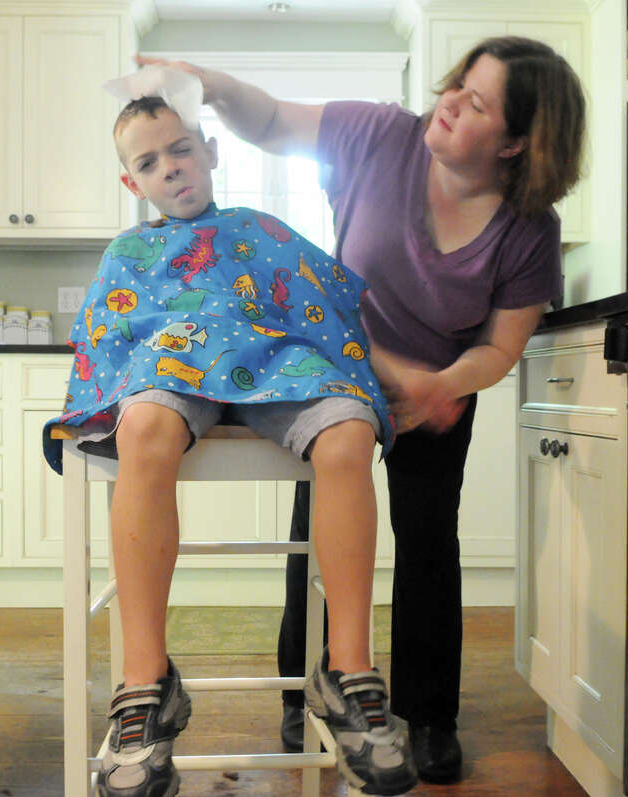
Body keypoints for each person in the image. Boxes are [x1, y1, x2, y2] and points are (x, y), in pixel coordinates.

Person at [138, 35, 585, 784]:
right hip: (335, 367)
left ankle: (428, 714)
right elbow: (274, 120)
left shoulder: (529, 230)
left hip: (438, 383)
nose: (449, 102)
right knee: (315, 533)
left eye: (476, 103)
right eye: (457, 85)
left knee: (428, 537)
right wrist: (209, 84)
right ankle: (300, 692)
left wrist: (440, 385)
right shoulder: (382, 135)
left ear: (515, 144)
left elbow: (503, 344)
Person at [44, 92, 420, 797]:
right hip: (171, 366)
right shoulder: (129, 252)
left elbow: (326, 310)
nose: (172, 169)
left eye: (181, 149)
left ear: (211, 151)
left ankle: (348, 672)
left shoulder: (261, 229)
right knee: (143, 427)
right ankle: (145, 683)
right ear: (133, 183)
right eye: (150, 162)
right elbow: (108, 345)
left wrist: (379, 377)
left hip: (278, 364)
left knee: (348, 430)